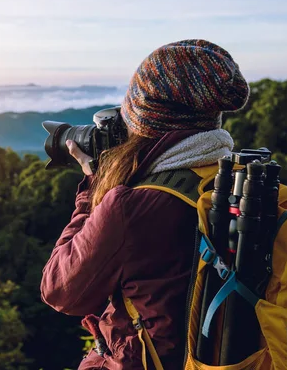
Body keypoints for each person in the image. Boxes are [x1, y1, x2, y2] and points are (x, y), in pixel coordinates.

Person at [40, 39, 250, 370]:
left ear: (147, 121)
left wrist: (92, 190)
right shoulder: (237, 180)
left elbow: (60, 291)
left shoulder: (131, 207)